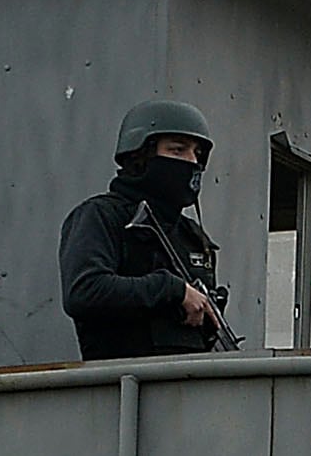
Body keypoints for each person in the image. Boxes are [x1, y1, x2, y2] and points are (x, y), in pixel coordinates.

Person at [60, 99, 234, 358]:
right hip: (124, 387)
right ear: (141, 156)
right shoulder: (102, 216)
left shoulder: (192, 236)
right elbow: (84, 290)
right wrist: (172, 290)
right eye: (178, 150)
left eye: (197, 154)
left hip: (190, 384)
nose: (191, 161)